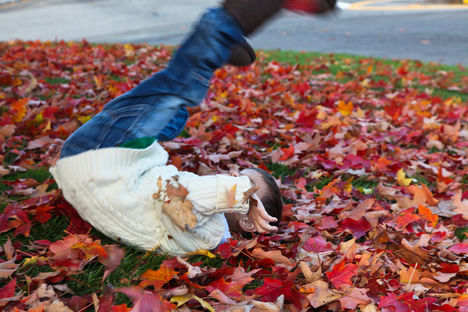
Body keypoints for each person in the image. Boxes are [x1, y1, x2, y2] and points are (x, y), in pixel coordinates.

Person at [50, 0, 336, 255]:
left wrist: (240, 194)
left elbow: (181, 196)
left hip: (103, 160)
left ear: (249, 221)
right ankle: (217, 47)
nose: (234, 176)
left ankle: (222, 29)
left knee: (175, 88)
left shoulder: (209, 231)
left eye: (246, 183)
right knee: (163, 113)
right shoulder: (201, 234)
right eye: (240, 176)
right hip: (97, 173)